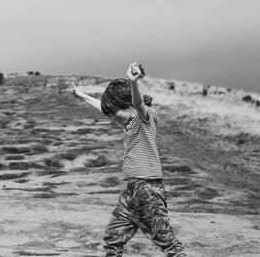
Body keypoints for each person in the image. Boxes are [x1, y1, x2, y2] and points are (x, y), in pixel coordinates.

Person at [71, 63, 186, 257]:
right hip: (131, 193)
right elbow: (104, 109)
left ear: (129, 105)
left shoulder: (144, 118)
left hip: (148, 191)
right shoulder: (128, 122)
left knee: (168, 244)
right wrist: (81, 95)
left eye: (115, 114)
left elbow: (139, 104)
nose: (112, 119)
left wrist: (133, 83)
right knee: (112, 239)